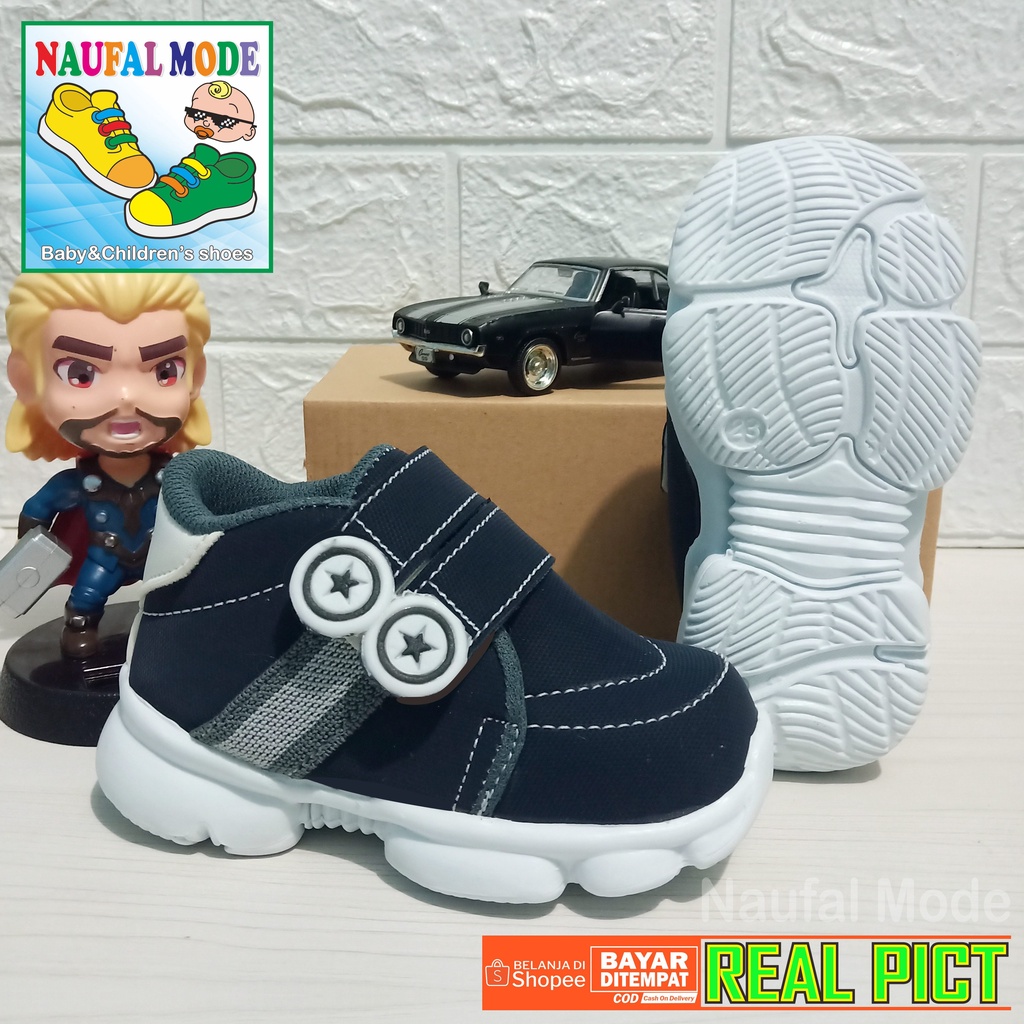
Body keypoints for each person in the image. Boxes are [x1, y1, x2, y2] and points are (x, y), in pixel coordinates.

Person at [5, 273, 210, 656]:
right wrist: (31, 557)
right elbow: (37, 510)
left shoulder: (177, 475)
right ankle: (80, 627)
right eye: (80, 375)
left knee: (184, 596)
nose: (127, 397)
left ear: (195, 377)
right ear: (27, 381)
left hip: (163, 559)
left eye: (165, 372)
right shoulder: (77, 485)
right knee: (87, 596)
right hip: (105, 558)